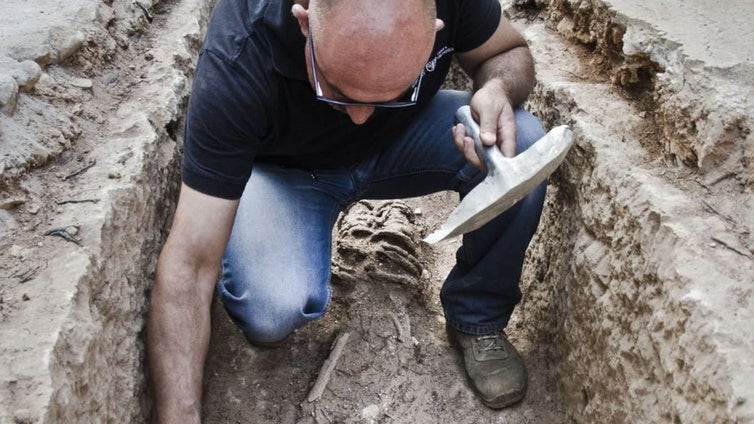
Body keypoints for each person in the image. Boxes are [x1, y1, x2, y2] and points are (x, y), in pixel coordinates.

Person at [147, 0, 548, 421]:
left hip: (402, 140)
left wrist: (496, 89)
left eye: (389, 93)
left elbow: (506, 51)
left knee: (521, 139)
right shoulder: (239, 57)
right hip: (286, 171)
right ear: (305, 23)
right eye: (336, 91)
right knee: (270, 312)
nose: (359, 118)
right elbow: (190, 264)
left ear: (433, 30)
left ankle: (476, 317)